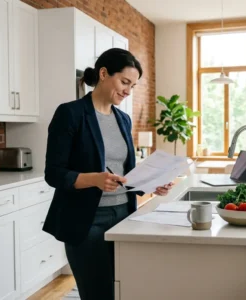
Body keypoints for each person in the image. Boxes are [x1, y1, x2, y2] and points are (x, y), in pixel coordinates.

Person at [42, 48, 174, 300]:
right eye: (124, 82)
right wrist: (94, 179)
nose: (127, 90)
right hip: (88, 221)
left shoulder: (123, 119)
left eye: (132, 86)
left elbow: (125, 172)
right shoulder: (70, 114)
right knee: (98, 294)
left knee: (125, 290)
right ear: (103, 73)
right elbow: (54, 174)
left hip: (125, 216)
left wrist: (152, 183)